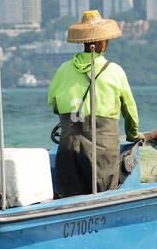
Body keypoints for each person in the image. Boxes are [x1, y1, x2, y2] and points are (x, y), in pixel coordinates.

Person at [47, 10, 141, 197]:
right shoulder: (115, 71)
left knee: (70, 196)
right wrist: (133, 135)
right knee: (103, 194)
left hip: (69, 145)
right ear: (103, 43)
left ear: (83, 42)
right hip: (102, 148)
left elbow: (53, 103)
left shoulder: (63, 69)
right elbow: (130, 111)